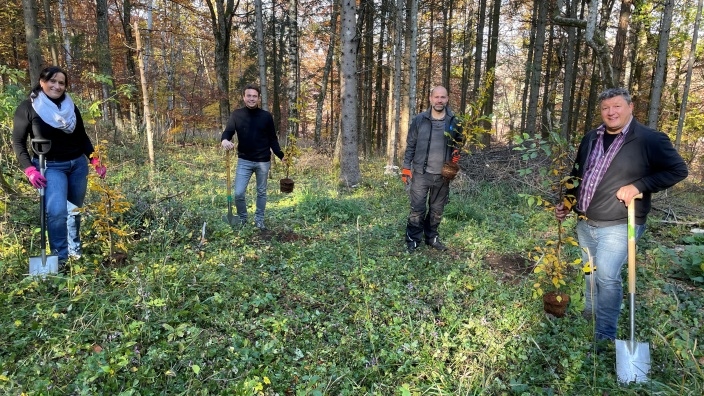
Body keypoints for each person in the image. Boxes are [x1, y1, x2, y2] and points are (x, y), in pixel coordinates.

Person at [555, 87, 687, 342]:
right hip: (585, 221)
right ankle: (590, 314)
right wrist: (568, 203)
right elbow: (577, 174)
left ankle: (604, 336)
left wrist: (638, 186)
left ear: (630, 107)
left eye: (616, 106)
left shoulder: (649, 139)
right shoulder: (591, 137)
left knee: (606, 276)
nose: (611, 112)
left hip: (619, 222)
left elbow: (678, 170)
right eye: (605, 108)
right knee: (590, 271)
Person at [12, 66, 107, 265]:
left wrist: (95, 160)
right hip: (50, 166)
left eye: (61, 83)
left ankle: (75, 251)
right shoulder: (28, 107)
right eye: (52, 81)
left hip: (77, 165)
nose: (56, 86)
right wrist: (29, 169)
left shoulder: (70, 107)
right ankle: (59, 259)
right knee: (56, 212)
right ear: (42, 82)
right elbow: (18, 142)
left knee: (74, 211)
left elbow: (82, 137)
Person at [402, 86, 463, 252]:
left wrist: (456, 154)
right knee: (417, 209)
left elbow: (459, 143)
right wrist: (406, 167)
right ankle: (413, 240)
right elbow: (411, 145)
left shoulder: (454, 121)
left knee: (437, 210)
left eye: (443, 97)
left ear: (447, 99)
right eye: (436, 97)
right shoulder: (420, 120)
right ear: (430, 98)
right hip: (421, 173)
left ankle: (432, 238)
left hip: (443, 175)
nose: (439, 100)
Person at [220, 84, 284, 230]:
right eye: (248, 96)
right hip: (244, 160)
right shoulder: (237, 115)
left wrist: (280, 155)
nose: (251, 99)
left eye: (254, 96)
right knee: (238, 193)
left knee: (261, 192)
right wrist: (224, 140)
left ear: (259, 98)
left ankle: (259, 219)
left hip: (263, 162)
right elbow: (228, 131)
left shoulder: (266, 116)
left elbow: (272, 139)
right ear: (244, 97)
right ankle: (243, 218)